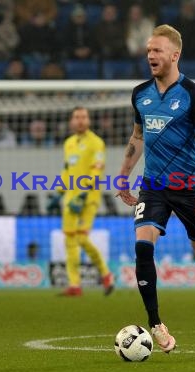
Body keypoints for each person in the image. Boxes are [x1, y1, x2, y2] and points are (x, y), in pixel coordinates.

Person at [115, 25, 195, 359]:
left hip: (188, 189)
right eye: (148, 50)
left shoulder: (194, 95)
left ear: (175, 54)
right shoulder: (140, 94)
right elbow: (138, 137)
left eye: (157, 50)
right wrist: (124, 174)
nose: (150, 56)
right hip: (153, 185)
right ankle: (155, 324)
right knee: (143, 246)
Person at [50, 106, 115, 297]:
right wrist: (59, 192)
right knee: (70, 239)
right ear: (72, 121)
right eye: (76, 117)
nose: (80, 120)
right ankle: (74, 285)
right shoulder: (68, 143)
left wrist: (85, 190)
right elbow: (66, 169)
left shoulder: (96, 143)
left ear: (88, 120)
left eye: (83, 117)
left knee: (81, 238)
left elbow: (97, 168)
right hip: (70, 197)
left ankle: (106, 275)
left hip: (89, 197)